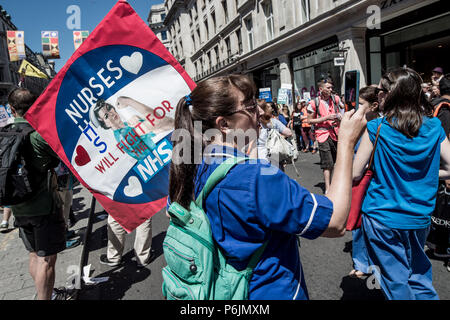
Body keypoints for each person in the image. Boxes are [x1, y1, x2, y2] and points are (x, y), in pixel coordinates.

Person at [168, 74, 367, 300]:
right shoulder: (256, 178)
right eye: (251, 107)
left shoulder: (189, 166)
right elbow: (336, 221)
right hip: (271, 290)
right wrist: (347, 142)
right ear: (224, 124)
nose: (261, 113)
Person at [353, 67, 450, 300]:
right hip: (419, 215)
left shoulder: (377, 128)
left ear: (390, 94)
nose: (378, 95)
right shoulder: (433, 126)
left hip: (382, 215)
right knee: (419, 275)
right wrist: (426, 175)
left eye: (380, 91)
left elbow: (355, 173)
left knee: (394, 279)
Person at [7, 88, 66, 300]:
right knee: (47, 259)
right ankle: (45, 297)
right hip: (43, 205)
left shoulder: (4, 132)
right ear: (35, 106)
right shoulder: (39, 135)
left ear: (11, 109)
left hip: (17, 206)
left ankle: (42, 294)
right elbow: (60, 160)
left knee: (33, 254)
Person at [348, 86, 380, 279]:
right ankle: (367, 262)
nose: (356, 108)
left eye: (361, 105)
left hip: (366, 181)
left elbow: (357, 169)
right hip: (373, 181)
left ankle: (363, 263)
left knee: (361, 222)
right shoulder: (366, 123)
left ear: (374, 105)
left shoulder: (372, 126)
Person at [426, 75, 450, 262]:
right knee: (443, 209)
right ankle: (440, 247)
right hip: (442, 168)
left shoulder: (434, 105)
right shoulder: (445, 111)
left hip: (436, 166)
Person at [307, 79, 343, 194]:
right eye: (328, 88)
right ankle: (328, 188)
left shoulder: (336, 99)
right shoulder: (314, 103)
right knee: (327, 163)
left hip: (336, 133)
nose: (331, 90)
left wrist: (340, 116)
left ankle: (337, 183)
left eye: (331, 87)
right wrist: (325, 118)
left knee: (338, 161)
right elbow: (309, 120)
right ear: (321, 89)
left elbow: (343, 109)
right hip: (322, 135)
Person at [257, 101, 292, 167]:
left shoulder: (253, 123)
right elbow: (289, 133)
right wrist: (280, 136)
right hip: (274, 154)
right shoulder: (273, 122)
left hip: (258, 156)